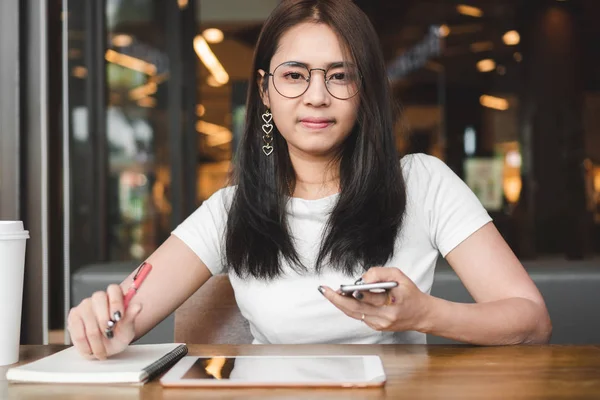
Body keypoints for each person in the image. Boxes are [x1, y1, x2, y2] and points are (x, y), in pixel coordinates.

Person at [67, 0, 552, 360]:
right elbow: (125, 317)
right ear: (265, 92)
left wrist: (424, 313)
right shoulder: (231, 209)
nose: (316, 96)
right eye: (295, 75)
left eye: (340, 76)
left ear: (364, 91)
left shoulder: (423, 183)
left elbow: (532, 320)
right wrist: (101, 325)